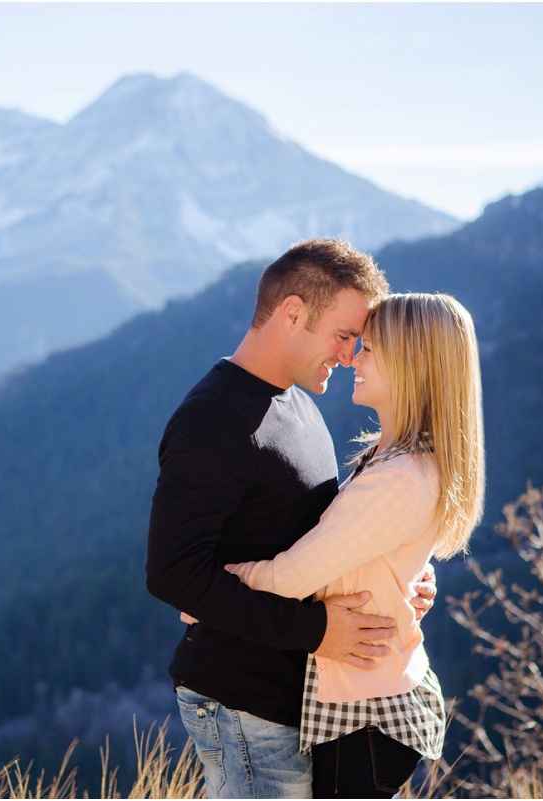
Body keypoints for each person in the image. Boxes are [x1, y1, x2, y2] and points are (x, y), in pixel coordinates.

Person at [145, 238, 437, 799]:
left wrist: (401, 579)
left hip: (291, 696)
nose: (351, 355)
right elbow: (172, 575)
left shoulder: (297, 403)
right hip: (241, 699)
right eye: (345, 336)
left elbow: (329, 533)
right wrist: (318, 631)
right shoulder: (213, 419)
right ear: (293, 312)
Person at [222, 292, 486, 797]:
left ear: (411, 363)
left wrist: (211, 591)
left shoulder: (399, 476)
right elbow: (375, 553)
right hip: (371, 703)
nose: (353, 359)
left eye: (370, 349)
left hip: (366, 714)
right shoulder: (400, 461)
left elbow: (295, 576)